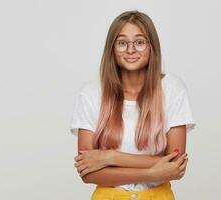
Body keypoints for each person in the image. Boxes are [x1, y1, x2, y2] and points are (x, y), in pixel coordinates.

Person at [70, 10, 196, 200]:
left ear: (151, 46)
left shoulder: (172, 89)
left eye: (139, 42)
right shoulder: (91, 93)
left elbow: (175, 164)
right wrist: (152, 173)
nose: (131, 50)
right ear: (112, 48)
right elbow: (87, 173)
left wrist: (109, 157)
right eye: (122, 43)